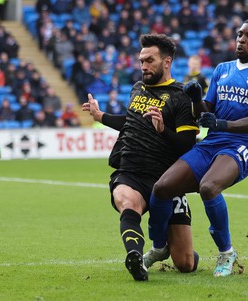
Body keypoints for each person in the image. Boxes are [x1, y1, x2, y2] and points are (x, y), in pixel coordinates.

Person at [146, 18, 248, 277]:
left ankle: (226, 253)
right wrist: (197, 98)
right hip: (212, 143)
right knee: (162, 188)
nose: (241, 39)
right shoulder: (222, 69)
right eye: (239, 34)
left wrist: (222, 123)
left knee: (208, 187)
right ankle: (159, 247)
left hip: (242, 145)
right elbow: (205, 114)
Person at [81, 34, 199, 281]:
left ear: (167, 62)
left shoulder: (180, 96)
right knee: (126, 201)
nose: (143, 66)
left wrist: (162, 130)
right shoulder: (137, 88)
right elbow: (131, 122)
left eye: (149, 60)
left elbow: (187, 145)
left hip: (167, 181)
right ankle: (135, 258)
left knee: (186, 264)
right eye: (141, 60)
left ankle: (173, 246)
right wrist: (100, 116)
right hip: (132, 171)